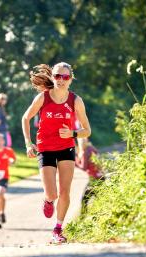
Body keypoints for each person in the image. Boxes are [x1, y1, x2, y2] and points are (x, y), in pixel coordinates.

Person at [21, 62, 91, 244]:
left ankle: (57, 230)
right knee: (52, 194)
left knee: (65, 192)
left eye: (65, 77)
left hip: (66, 148)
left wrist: (73, 134)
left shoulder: (76, 101)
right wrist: (29, 143)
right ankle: (48, 199)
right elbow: (25, 118)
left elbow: (87, 130)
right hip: (45, 148)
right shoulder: (43, 98)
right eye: (58, 76)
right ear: (52, 77)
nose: (61, 80)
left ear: (70, 80)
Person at [76, 137, 105, 212]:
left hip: (94, 179)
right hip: (101, 176)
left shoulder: (85, 152)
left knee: (84, 200)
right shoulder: (92, 148)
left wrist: (75, 163)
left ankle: (83, 217)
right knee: (99, 198)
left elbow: (84, 168)